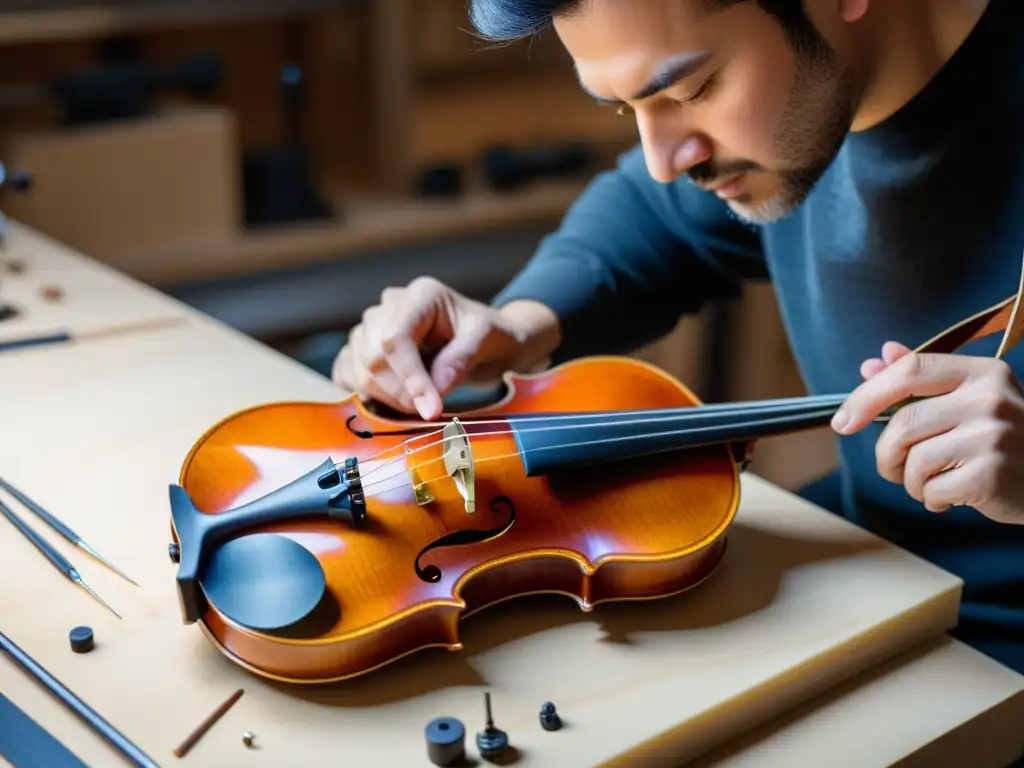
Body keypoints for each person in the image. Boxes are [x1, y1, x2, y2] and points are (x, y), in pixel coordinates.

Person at [333, 0, 1024, 677]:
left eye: (692, 89)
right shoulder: (798, 107)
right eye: (624, 106)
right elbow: (652, 210)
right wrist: (516, 324)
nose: (663, 157)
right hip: (879, 581)